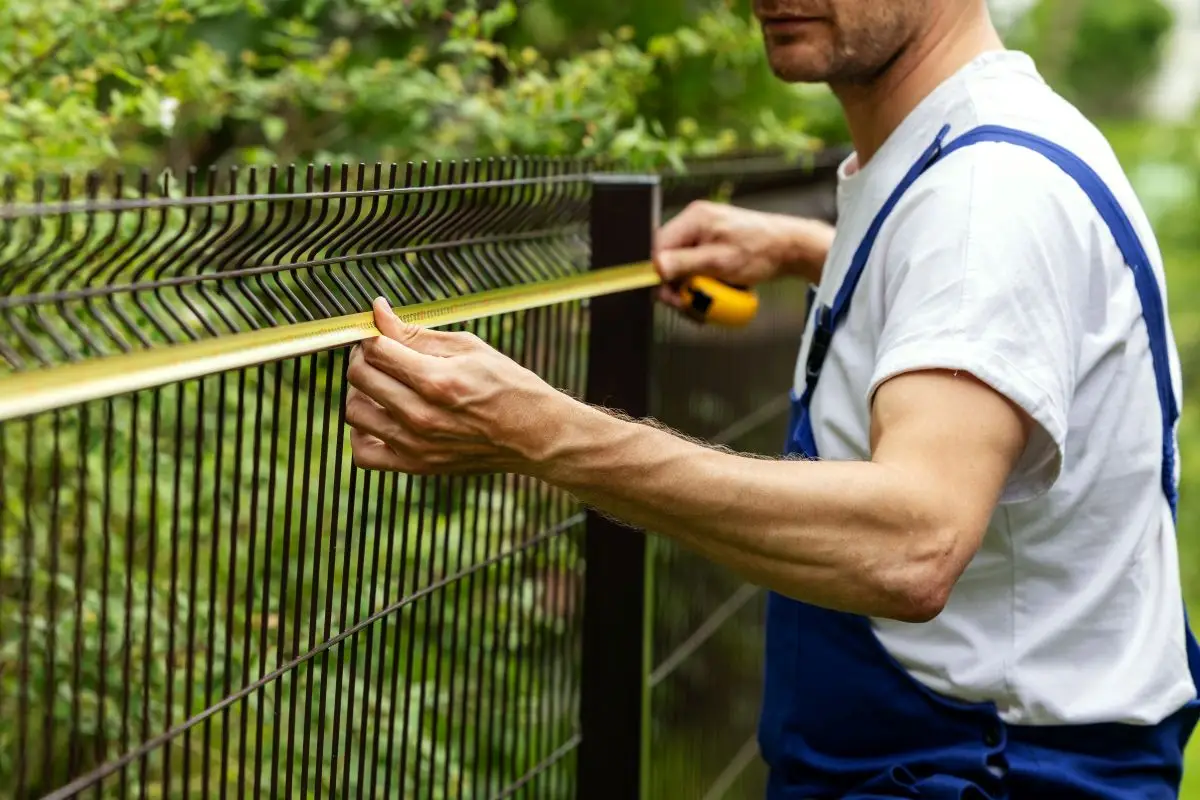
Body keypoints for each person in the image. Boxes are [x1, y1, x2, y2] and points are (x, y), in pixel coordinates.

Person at [341, 0, 1200, 796]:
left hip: (982, 769)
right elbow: (979, 306)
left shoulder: (989, 197)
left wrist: (546, 434)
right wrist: (808, 251)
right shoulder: (962, 145)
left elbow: (914, 541)